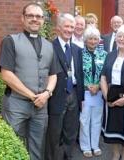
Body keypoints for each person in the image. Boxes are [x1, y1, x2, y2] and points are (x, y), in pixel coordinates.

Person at [0, 3, 61, 160]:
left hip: (41, 107)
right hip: (16, 104)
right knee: (12, 144)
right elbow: (6, 74)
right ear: (23, 18)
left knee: (37, 146)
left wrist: (46, 93)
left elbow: (53, 75)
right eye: (30, 16)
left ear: (43, 20)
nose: (35, 19)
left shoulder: (49, 45)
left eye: (38, 16)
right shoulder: (10, 41)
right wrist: (33, 96)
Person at [45, 13, 84, 160]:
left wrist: (81, 97)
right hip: (56, 94)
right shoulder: (49, 47)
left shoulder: (77, 49)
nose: (69, 29)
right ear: (59, 28)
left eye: (72, 27)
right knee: (54, 132)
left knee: (71, 130)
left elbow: (79, 73)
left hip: (73, 93)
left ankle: (67, 156)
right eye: (66, 26)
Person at [100, 24, 124, 160]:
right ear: (115, 38)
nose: (121, 39)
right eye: (119, 36)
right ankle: (115, 154)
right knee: (112, 127)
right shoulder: (109, 55)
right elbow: (103, 77)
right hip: (111, 95)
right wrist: (106, 97)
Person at [79, 26, 107, 158]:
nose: (93, 41)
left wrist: (98, 87)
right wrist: (88, 86)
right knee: (84, 120)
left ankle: (95, 145)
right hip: (85, 92)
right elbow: (78, 74)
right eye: (90, 38)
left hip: (99, 93)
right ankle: (85, 146)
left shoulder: (104, 54)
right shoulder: (79, 53)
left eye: (96, 38)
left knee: (96, 120)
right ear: (85, 40)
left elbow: (106, 74)